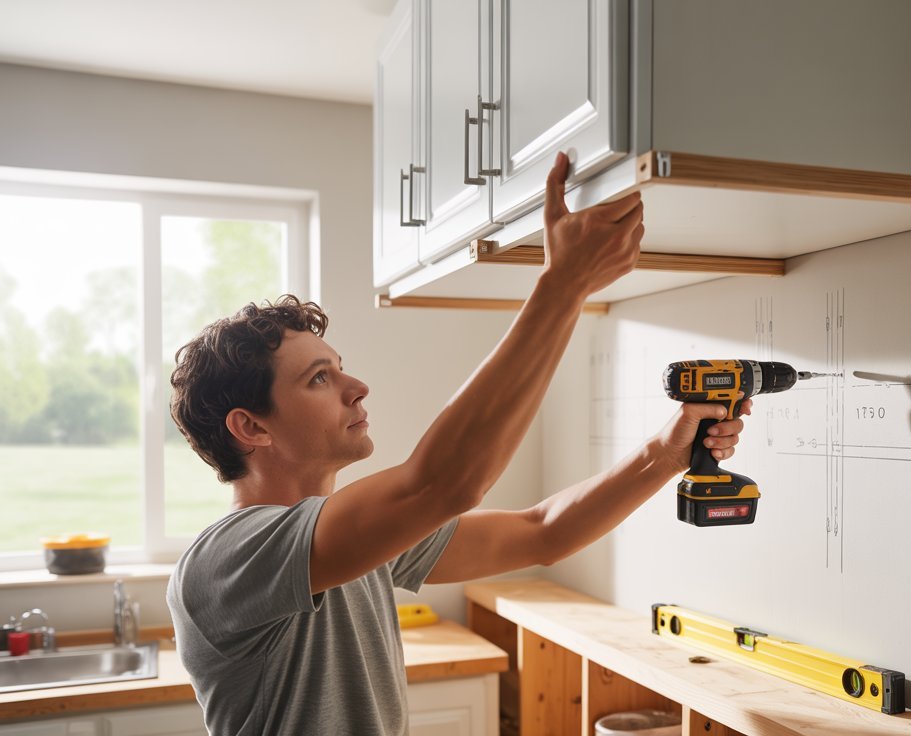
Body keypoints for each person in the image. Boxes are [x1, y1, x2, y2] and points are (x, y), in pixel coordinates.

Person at [165, 152, 750, 736]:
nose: (356, 386)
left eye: (339, 368)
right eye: (318, 378)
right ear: (252, 427)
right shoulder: (229, 560)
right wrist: (563, 284)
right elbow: (443, 484)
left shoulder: (360, 543)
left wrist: (665, 455)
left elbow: (543, 531)